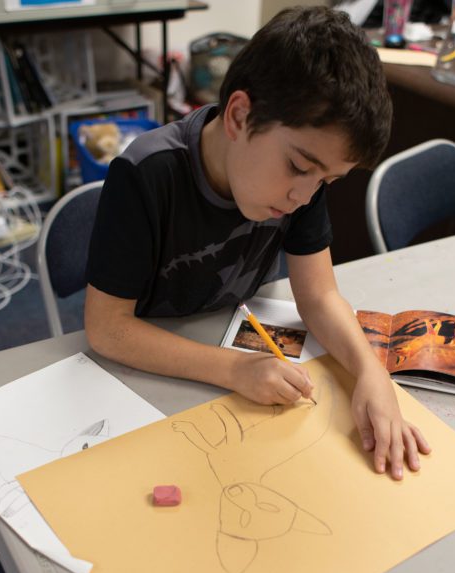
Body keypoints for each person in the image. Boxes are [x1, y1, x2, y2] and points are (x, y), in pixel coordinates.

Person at [84, 6, 430, 480]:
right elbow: (107, 330)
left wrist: (371, 372)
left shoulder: (305, 182)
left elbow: (320, 294)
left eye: (328, 180)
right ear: (240, 116)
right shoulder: (147, 174)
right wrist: (233, 371)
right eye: (300, 168)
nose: (303, 195)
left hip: (223, 349)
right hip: (145, 374)